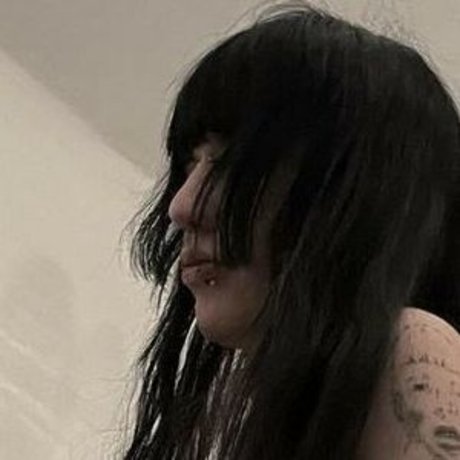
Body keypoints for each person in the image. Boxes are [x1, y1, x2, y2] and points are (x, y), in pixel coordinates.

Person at [121, 3, 460, 459]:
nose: (181, 207)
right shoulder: (272, 411)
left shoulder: (412, 345)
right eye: (188, 165)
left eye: (232, 164)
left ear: (347, 190)